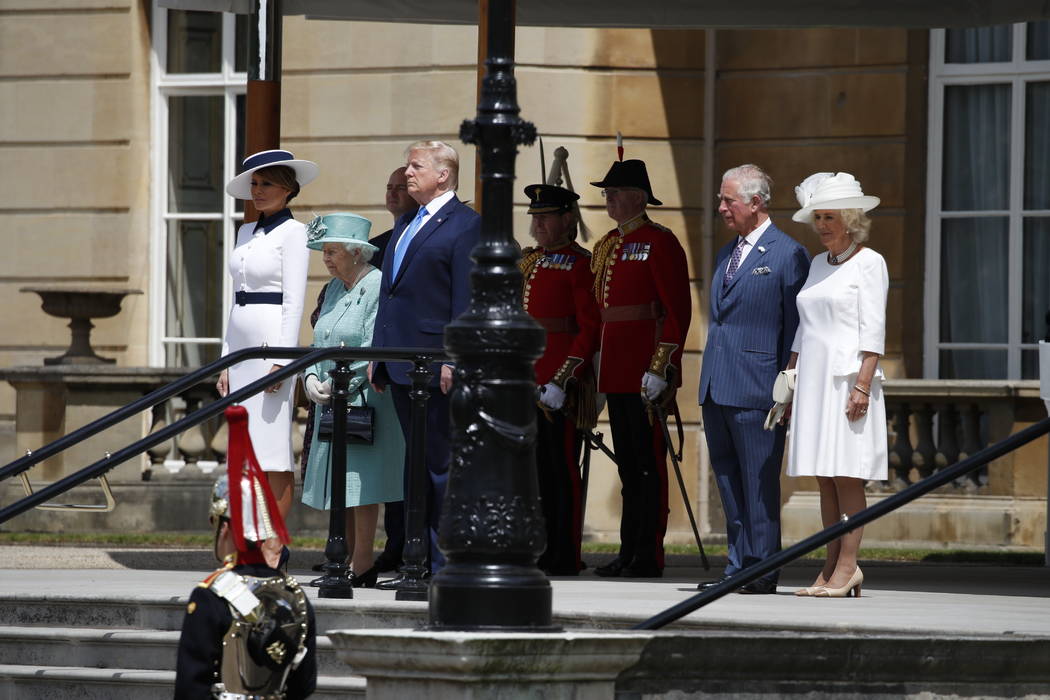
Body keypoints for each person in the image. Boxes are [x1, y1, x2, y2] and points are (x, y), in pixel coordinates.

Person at [370, 140, 480, 580]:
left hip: (437, 365)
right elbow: (389, 293)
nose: (407, 172)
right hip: (400, 363)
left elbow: (465, 299)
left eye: (416, 166)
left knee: (440, 467)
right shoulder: (408, 222)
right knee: (414, 467)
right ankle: (416, 559)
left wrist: (455, 358)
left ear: (443, 174)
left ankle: (442, 561)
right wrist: (379, 354)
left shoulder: (466, 225)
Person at [697, 164, 810, 594]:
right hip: (717, 385)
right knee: (728, 482)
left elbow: (795, 327)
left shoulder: (788, 253)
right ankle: (737, 567)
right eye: (722, 199)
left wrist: (788, 386)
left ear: (756, 202)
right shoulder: (728, 252)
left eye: (729, 200)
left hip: (759, 388)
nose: (721, 207)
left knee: (759, 484)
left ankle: (763, 569)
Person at [786, 172, 888, 598]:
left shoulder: (870, 262)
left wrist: (862, 386)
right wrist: (789, 380)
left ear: (850, 219)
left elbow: (874, 332)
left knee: (847, 477)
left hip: (847, 382)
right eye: (818, 217)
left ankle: (849, 567)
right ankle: (829, 567)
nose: (822, 225)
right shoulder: (816, 264)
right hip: (813, 382)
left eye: (830, 217)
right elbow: (802, 330)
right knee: (824, 478)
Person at [588, 158, 691, 579]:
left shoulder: (659, 241)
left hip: (644, 370)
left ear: (638, 197)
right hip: (615, 369)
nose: (608, 200)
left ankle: (648, 554)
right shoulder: (610, 242)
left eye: (615, 193)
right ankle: (629, 550)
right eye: (606, 194)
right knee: (628, 464)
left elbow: (676, 311)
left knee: (647, 465)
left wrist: (661, 364)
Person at [174, 406, 317, 699]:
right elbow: (303, 685)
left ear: (225, 529)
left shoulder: (209, 596)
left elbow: (191, 686)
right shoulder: (296, 597)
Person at [216, 149, 316, 563]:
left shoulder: (294, 233)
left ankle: (273, 541)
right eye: (254, 184)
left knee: (273, 449)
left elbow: (294, 300)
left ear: (288, 189)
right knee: (245, 445)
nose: (257, 191)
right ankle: (247, 536)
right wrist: (224, 359)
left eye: (267, 184)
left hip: (271, 345)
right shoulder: (245, 233)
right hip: (240, 347)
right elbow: (234, 300)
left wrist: (283, 358)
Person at [300, 213, 405, 588]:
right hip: (330, 397)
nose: (325, 258)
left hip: (365, 398)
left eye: (332, 250)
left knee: (362, 484)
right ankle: (338, 558)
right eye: (323, 251)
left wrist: (341, 380)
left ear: (357, 252)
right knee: (336, 481)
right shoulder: (332, 288)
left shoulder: (376, 285)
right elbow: (317, 339)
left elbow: (372, 345)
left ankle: (362, 563)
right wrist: (310, 376)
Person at [520, 183, 601, 576]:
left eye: (546, 217)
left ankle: (564, 553)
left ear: (567, 220)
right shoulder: (530, 261)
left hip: (555, 387)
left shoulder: (580, 264)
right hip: (522, 382)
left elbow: (588, 329)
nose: (538, 224)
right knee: (527, 474)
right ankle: (534, 546)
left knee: (558, 473)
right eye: (535, 217)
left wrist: (562, 380)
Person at [372, 165, 420, 574]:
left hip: (419, 367)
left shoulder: (427, 238)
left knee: (416, 462)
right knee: (394, 465)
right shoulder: (377, 246)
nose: (392, 194)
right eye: (387, 187)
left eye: (399, 187)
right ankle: (394, 544)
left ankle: (414, 547)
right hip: (389, 369)